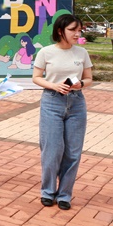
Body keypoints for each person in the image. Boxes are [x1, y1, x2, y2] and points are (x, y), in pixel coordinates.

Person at [31, 14, 93, 210]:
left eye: (79, 30)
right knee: (52, 150)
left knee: (73, 152)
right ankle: (47, 191)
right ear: (60, 31)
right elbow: (36, 77)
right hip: (52, 102)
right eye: (72, 30)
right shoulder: (46, 52)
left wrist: (80, 84)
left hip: (76, 104)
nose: (77, 34)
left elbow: (89, 78)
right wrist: (54, 85)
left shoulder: (81, 52)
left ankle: (65, 194)